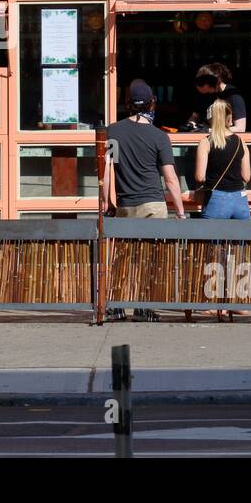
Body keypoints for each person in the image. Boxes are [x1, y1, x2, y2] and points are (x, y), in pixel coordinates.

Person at [104, 79, 186, 322]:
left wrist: (106, 202)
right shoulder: (159, 137)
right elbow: (170, 178)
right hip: (153, 203)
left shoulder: (113, 131)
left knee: (122, 256)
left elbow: (108, 168)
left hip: (125, 204)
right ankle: (144, 309)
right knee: (151, 258)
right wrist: (180, 212)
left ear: (128, 104)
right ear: (152, 104)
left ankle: (116, 307)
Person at [195, 99, 251, 219]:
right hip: (239, 199)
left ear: (211, 118)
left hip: (216, 199)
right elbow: (246, 177)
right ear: (229, 117)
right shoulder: (241, 142)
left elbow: (200, 177)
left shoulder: (206, 142)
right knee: (242, 236)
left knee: (214, 236)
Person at [190, 62, 247, 132]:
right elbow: (194, 117)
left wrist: (209, 130)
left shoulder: (234, 97)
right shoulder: (205, 95)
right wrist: (190, 125)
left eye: (202, 83)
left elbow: (240, 129)